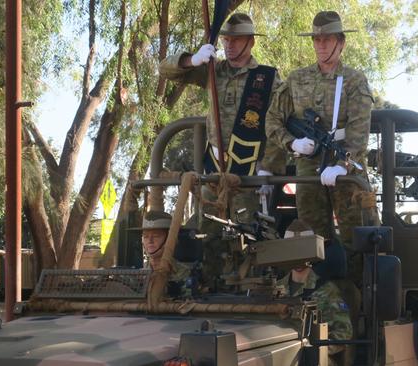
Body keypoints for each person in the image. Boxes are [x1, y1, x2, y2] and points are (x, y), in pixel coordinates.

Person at [160, 13, 284, 283]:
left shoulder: (268, 78)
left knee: (246, 236)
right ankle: (206, 288)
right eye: (226, 39)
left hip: (247, 172)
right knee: (205, 235)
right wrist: (191, 59)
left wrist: (268, 168)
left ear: (250, 42)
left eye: (235, 40)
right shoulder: (212, 70)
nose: (228, 45)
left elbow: (279, 125)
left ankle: (245, 292)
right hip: (213, 169)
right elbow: (165, 70)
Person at [264, 11, 377, 280]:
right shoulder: (297, 79)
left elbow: (360, 130)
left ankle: (357, 301)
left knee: (357, 237)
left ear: (341, 42)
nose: (321, 45)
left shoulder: (353, 80)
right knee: (312, 238)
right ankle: (317, 298)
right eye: (316, 39)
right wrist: (292, 143)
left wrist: (343, 165)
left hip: (344, 166)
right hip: (309, 166)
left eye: (327, 39)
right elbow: (272, 120)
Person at [276, 219, 353, 366]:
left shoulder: (327, 290)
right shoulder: (274, 289)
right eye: (292, 250)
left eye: (302, 250)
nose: (297, 256)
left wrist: (313, 352)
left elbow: (343, 333)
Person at [139, 210, 195, 297]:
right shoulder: (138, 275)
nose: (150, 241)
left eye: (156, 236)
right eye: (146, 236)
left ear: (170, 239)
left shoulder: (184, 272)